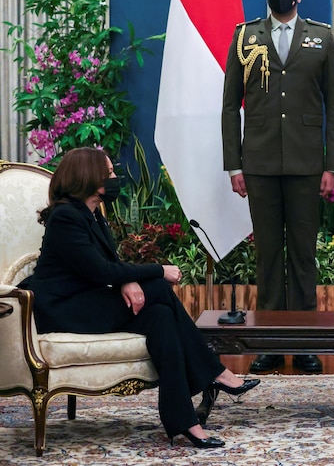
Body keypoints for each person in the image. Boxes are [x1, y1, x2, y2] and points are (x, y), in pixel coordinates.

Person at [18, 147, 259, 449]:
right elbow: (100, 269)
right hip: (62, 309)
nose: (115, 178)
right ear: (89, 177)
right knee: (158, 288)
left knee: (160, 317)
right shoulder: (66, 217)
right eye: (109, 173)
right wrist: (158, 270)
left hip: (87, 300)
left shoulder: (91, 214)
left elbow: (107, 266)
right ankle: (215, 372)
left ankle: (183, 420)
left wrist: (129, 280)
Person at [221, 0, 334, 374]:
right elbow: (229, 106)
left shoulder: (322, 38)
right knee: (269, 255)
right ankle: (271, 343)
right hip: (259, 162)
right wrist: (233, 164)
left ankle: (305, 343)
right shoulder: (245, 36)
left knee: (303, 255)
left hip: (307, 163)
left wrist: (333, 166)